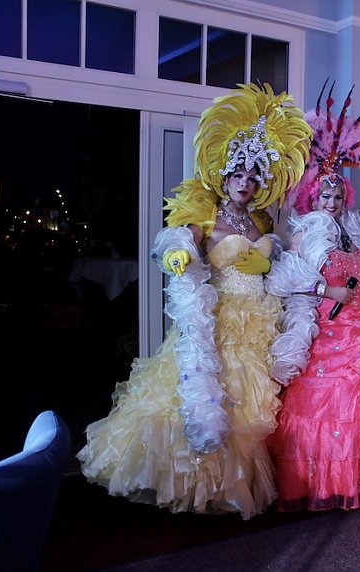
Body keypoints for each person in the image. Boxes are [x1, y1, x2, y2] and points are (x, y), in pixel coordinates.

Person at [77, 84, 312, 517]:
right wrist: (178, 250)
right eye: (238, 176)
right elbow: (179, 236)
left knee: (245, 406)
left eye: (253, 177)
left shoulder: (262, 221)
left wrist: (275, 262)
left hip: (256, 323)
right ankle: (196, 488)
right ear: (224, 178)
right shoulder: (207, 216)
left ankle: (231, 488)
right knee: (211, 397)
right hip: (219, 320)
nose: (245, 183)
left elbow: (275, 267)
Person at [264, 85, 360, 511]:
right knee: (324, 403)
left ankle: (357, 479)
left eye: (338, 196)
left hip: (359, 324)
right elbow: (283, 281)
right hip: (326, 325)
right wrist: (326, 289)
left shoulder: (355, 230)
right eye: (326, 195)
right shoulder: (306, 231)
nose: (333, 201)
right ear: (313, 196)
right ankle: (320, 481)